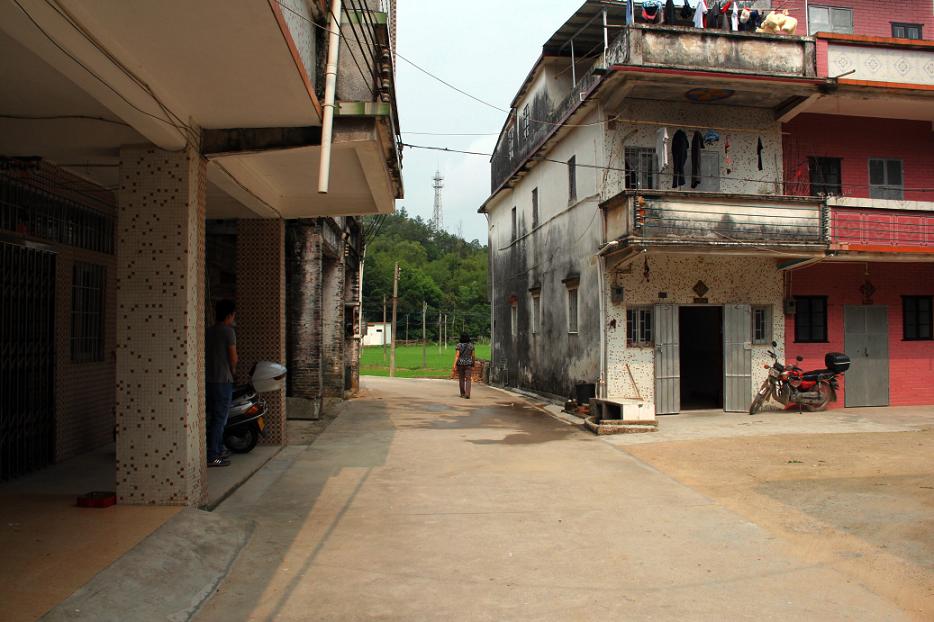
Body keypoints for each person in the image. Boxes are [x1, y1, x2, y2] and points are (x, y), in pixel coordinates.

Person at [206, 300, 238, 467]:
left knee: (213, 418)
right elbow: (233, 358)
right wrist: (234, 370)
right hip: (222, 381)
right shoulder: (228, 331)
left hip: (208, 381)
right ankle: (214, 456)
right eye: (233, 314)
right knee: (220, 419)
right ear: (229, 315)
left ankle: (217, 450)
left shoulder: (208, 331)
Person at [453, 333, 475, 399]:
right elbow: (473, 356)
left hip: (460, 364)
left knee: (461, 378)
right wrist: (473, 363)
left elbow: (457, 355)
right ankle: (467, 394)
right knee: (468, 379)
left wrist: (454, 364)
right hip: (468, 364)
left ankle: (462, 394)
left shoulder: (459, 345)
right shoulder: (471, 345)